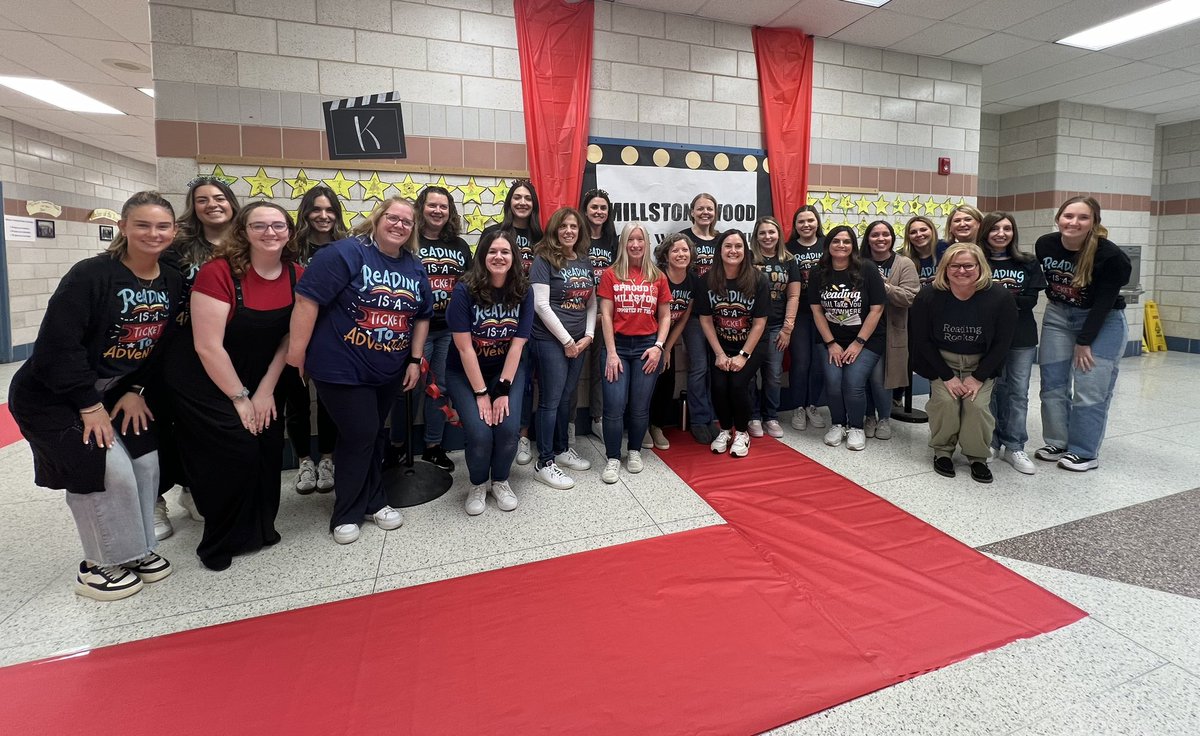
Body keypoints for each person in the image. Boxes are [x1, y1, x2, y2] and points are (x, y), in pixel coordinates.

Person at [8, 191, 182, 600]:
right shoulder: (91, 275)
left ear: (174, 232)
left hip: (116, 393)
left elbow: (162, 343)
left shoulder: (171, 279)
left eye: (162, 226)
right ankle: (99, 564)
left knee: (145, 462)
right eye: (142, 224)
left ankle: (135, 551)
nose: (152, 233)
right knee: (104, 469)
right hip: (54, 396)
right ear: (123, 227)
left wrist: (137, 389)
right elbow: (56, 347)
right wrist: (88, 405)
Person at [164, 202, 300, 570]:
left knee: (267, 448)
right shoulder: (218, 272)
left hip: (264, 375)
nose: (270, 233)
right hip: (206, 378)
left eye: (278, 226)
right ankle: (219, 541)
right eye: (260, 226)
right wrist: (241, 398)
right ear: (243, 231)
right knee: (235, 451)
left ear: (289, 231)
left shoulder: (296, 274)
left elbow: (290, 338)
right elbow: (206, 345)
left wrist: (266, 390)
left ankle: (259, 531)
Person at [287, 197, 432, 545]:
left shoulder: (413, 265)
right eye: (393, 218)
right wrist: (296, 355)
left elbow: (423, 315)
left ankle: (372, 500)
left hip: (388, 368)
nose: (399, 225)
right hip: (341, 366)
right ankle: (348, 512)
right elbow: (307, 300)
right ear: (377, 218)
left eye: (407, 222)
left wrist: (414, 359)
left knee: (369, 434)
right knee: (360, 435)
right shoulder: (343, 253)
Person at [154, 176, 241, 539]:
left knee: (207, 429)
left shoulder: (245, 244)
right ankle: (154, 499)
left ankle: (193, 489)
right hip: (181, 348)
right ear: (194, 206)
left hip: (231, 348)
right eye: (202, 199)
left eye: (219, 198)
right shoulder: (179, 247)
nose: (212, 204)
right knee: (164, 425)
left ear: (232, 202)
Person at [1034, 197, 1131, 472]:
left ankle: (1084, 452)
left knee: (1090, 389)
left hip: (1103, 321)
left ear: (1094, 223)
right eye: (1068, 216)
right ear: (1058, 218)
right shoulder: (1045, 244)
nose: (1073, 222)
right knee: (1052, 385)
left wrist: (1084, 341)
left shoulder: (1111, 257)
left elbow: (1104, 302)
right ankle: (1057, 441)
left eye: (1083, 217)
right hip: (1058, 316)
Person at [910, 244, 1017, 483]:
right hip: (942, 362)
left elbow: (1003, 342)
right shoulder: (928, 295)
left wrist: (978, 377)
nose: (962, 271)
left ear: (980, 267)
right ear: (945, 269)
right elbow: (921, 339)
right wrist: (946, 376)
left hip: (981, 365)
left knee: (976, 407)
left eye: (968, 265)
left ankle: (976, 457)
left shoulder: (1000, 297)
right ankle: (942, 451)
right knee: (946, 403)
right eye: (954, 266)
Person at [445, 231, 533, 515]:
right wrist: (483, 393)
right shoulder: (464, 289)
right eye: (492, 251)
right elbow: (464, 348)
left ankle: (501, 481)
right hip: (465, 372)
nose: (499, 257)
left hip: (505, 369)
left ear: (513, 258)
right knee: (480, 433)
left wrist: (502, 390)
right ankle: (478, 483)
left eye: (505, 252)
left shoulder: (523, 290)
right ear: (482, 255)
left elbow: (518, 344)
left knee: (508, 430)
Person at [387, 185, 471, 473]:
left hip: (449, 329)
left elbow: (469, 286)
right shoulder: (408, 243)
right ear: (421, 208)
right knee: (408, 388)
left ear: (450, 212)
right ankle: (397, 446)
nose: (438, 211)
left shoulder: (459, 246)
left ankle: (434, 447)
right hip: (414, 329)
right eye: (432, 205)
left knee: (441, 389)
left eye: (444, 207)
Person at [597, 222, 672, 483]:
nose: (636, 244)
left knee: (640, 407)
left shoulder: (657, 276)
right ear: (623, 243)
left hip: (646, 347)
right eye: (631, 239)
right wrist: (611, 352)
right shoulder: (611, 274)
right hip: (616, 346)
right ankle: (613, 457)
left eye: (640, 239)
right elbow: (606, 315)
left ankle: (634, 451)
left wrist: (658, 347)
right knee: (614, 406)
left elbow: (665, 316)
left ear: (647, 243)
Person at [529, 207, 596, 490]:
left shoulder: (583, 260)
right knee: (551, 400)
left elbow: (590, 302)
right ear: (555, 230)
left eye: (574, 226)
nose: (569, 231)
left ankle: (560, 450)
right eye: (564, 226)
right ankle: (543, 462)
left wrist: (589, 336)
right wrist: (567, 341)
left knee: (567, 397)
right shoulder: (543, 259)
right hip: (550, 341)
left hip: (579, 342)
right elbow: (540, 305)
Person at [283, 185, 344, 495]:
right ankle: (305, 460)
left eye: (329, 210)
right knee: (296, 401)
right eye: (316, 209)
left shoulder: (346, 247)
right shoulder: (290, 248)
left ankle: (328, 459)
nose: (323, 216)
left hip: (332, 337)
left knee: (329, 401)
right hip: (292, 335)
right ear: (306, 213)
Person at [808, 226, 886, 451]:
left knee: (852, 383)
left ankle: (856, 427)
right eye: (836, 241)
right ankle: (838, 424)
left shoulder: (867, 269)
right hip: (831, 339)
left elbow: (877, 309)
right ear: (828, 245)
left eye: (846, 241)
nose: (841, 245)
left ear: (853, 246)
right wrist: (831, 344)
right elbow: (816, 311)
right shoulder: (818, 271)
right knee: (833, 382)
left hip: (867, 340)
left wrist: (858, 343)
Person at [481, 180, 543, 464]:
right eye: (517, 197)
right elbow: (478, 275)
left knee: (526, 379)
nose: (522, 203)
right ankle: (491, 434)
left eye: (527, 198)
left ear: (534, 204)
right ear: (509, 202)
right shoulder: (495, 233)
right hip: (498, 318)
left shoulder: (541, 237)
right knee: (498, 376)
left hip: (535, 317)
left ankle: (522, 436)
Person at [980, 212, 1046, 475]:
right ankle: (992, 441)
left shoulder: (1028, 262)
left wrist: (994, 301)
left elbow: (1030, 301)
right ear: (985, 232)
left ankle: (1015, 445)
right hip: (987, 336)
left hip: (1021, 336)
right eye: (995, 228)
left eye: (1007, 228)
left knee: (1017, 392)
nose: (1001, 233)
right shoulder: (977, 261)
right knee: (992, 389)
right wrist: (1008, 301)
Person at [698, 230, 771, 458]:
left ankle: (741, 432)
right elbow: (706, 320)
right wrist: (719, 354)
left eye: (738, 246)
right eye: (728, 246)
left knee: (738, 384)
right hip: (721, 344)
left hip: (751, 345)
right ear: (719, 251)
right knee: (719, 386)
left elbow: (760, 324)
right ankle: (724, 430)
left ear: (745, 250)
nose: (733, 251)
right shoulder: (707, 280)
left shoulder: (759, 280)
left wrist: (743, 355)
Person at [861, 220, 919, 441]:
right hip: (861, 330)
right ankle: (869, 416)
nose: (880, 239)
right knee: (862, 377)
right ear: (868, 238)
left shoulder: (904, 264)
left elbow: (911, 297)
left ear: (892, 238)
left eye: (885, 234)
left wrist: (883, 286)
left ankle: (884, 417)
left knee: (880, 378)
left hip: (890, 330)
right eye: (875, 235)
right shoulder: (860, 262)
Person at [748, 216, 800, 439]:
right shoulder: (748, 258)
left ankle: (771, 416)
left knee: (773, 374)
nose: (767, 237)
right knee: (749, 374)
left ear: (779, 235)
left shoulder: (789, 260)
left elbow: (794, 295)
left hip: (776, 326)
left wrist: (787, 328)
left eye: (771, 232)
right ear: (756, 236)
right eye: (762, 233)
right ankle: (752, 416)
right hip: (749, 327)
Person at [647, 233, 697, 450]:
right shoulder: (657, 276)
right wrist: (657, 345)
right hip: (648, 336)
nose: (681, 254)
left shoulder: (693, 280)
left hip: (668, 338)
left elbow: (684, 316)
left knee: (667, 382)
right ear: (666, 255)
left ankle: (657, 426)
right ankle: (641, 427)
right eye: (675, 250)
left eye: (685, 250)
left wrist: (667, 348)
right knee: (646, 383)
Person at [679, 193, 720, 443]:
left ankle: (714, 417)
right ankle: (698, 419)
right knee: (698, 367)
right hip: (693, 314)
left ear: (716, 212)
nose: (705, 212)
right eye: (700, 208)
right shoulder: (685, 238)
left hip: (720, 314)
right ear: (692, 211)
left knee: (716, 366)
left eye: (710, 208)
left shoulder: (722, 239)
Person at [579, 188, 618, 441]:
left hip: (604, 313)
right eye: (594, 207)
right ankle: (569, 424)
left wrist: (607, 310)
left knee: (601, 366)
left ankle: (597, 418)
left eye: (603, 208)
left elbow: (617, 277)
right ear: (585, 210)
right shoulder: (577, 237)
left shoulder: (613, 241)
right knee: (573, 369)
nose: (599, 212)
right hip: (576, 312)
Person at [785, 205, 827, 431]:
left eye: (810, 220)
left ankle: (813, 405)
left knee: (819, 363)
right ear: (795, 226)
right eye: (801, 221)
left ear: (817, 222)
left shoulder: (827, 245)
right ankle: (798, 407)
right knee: (801, 362)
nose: (806, 225)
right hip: (800, 314)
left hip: (826, 313)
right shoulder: (788, 248)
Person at [902, 215, 940, 286]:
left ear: (932, 231)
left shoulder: (945, 249)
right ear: (908, 237)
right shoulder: (901, 257)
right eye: (913, 232)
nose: (919, 234)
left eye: (923, 230)